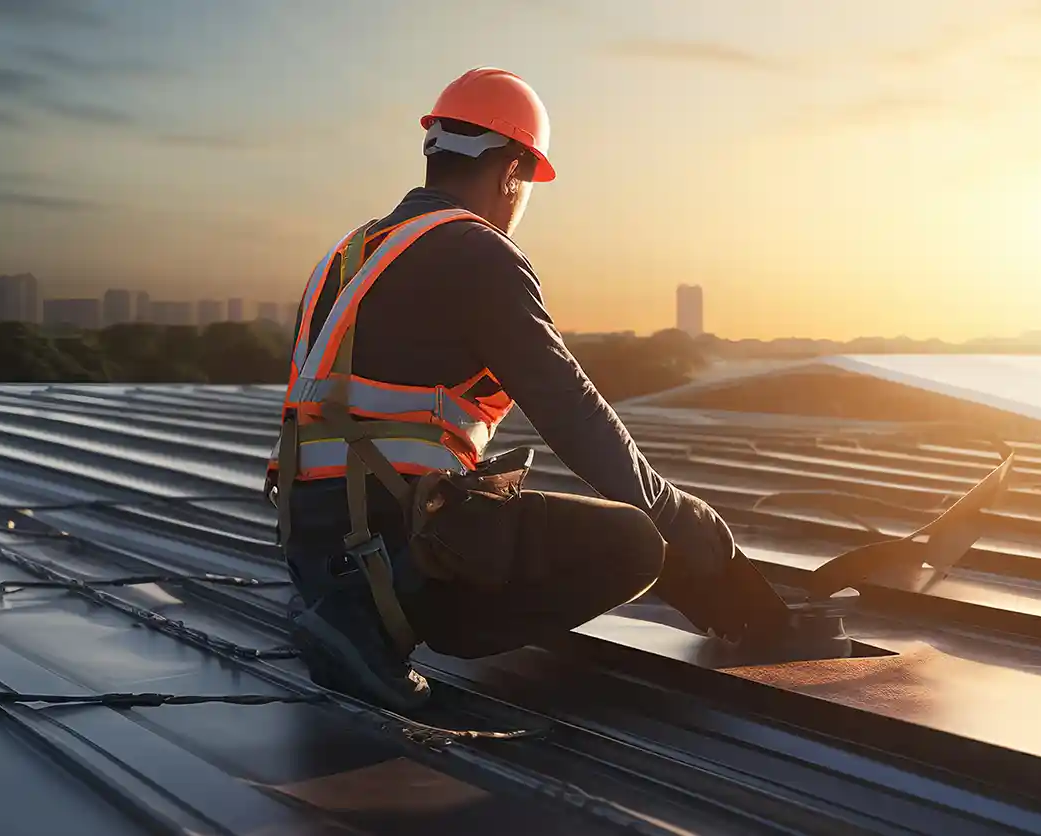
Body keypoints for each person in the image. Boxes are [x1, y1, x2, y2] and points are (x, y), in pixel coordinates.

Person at [266, 67, 793, 711]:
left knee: (508, 500)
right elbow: (572, 410)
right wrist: (685, 527)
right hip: (389, 549)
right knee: (631, 544)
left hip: (317, 548)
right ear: (513, 171)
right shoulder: (477, 252)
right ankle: (374, 623)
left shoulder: (350, 254)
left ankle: (362, 615)